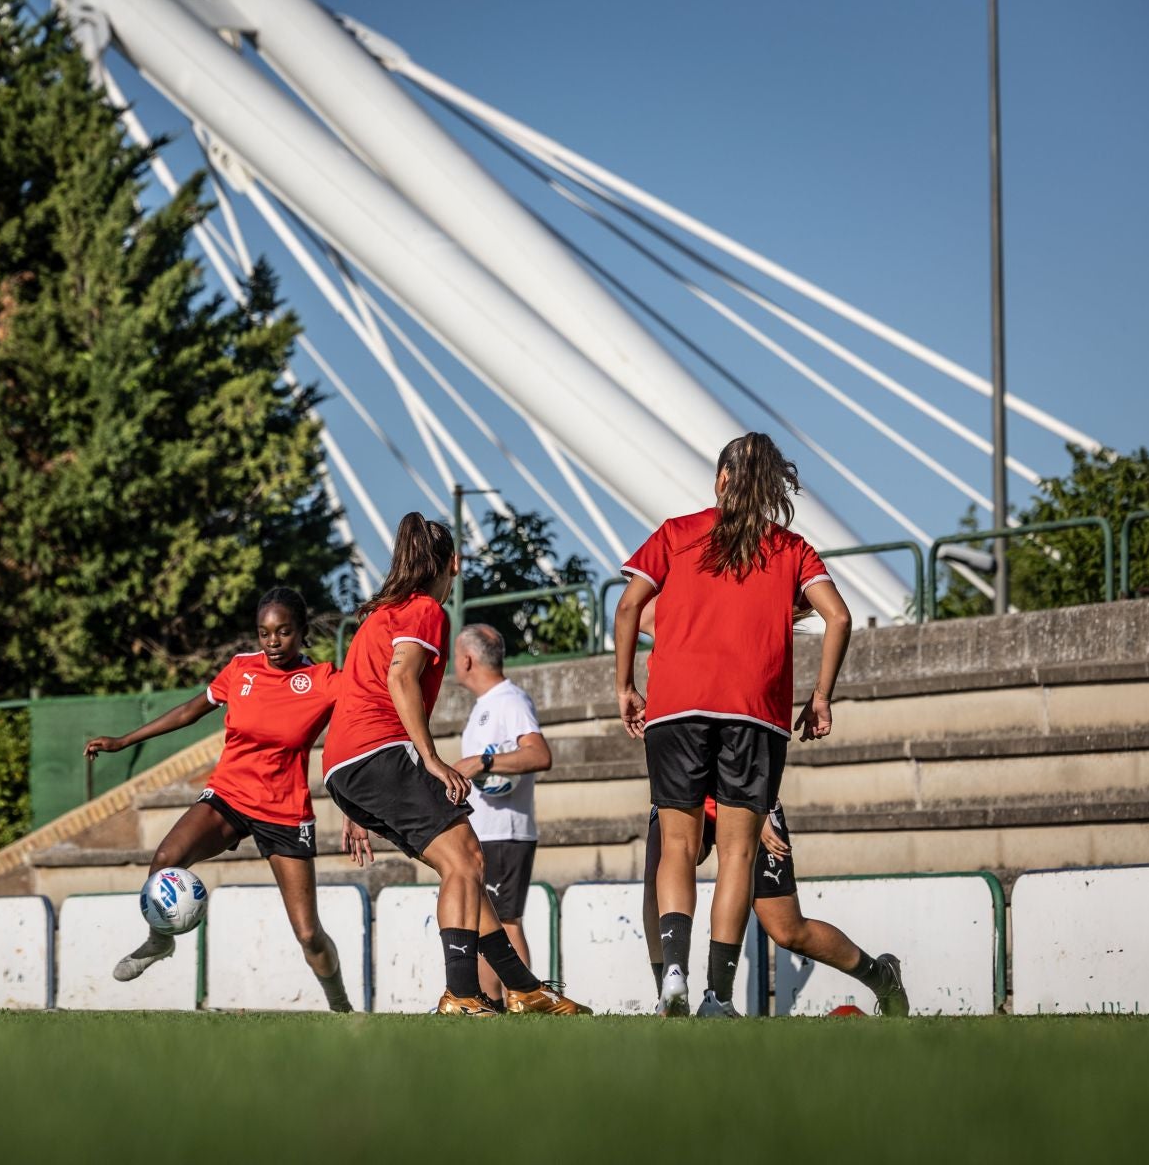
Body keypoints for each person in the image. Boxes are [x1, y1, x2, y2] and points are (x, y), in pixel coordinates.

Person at [614, 432, 852, 1018]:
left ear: (721, 478)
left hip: (676, 706)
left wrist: (624, 686)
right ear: (772, 487)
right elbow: (839, 617)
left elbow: (627, 609)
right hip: (755, 713)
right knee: (738, 856)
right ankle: (717, 997)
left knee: (676, 844)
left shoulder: (675, 532)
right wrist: (821, 696)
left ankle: (673, 972)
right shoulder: (792, 548)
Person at [326, 513, 586, 1016]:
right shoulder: (425, 610)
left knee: (459, 868)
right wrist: (431, 759)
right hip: (380, 751)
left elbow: (354, 700)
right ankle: (463, 994)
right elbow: (401, 677)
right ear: (453, 563)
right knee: (467, 861)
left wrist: (353, 801)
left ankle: (524, 989)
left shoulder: (381, 614)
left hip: (347, 765)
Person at [84, 588, 354, 1011]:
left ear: (302, 632)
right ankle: (159, 942)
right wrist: (124, 741)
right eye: (264, 632)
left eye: (284, 632)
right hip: (229, 796)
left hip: (284, 812)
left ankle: (341, 1006)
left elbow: (355, 733)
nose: (273, 642)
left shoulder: (324, 682)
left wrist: (354, 805)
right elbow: (188, 712)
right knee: (164, 860)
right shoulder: (241, 669)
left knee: (307, 932)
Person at [642, 796, 908, 1016]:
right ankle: (668, 998)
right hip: (688, 783)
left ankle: (881, 976)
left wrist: (762, 804)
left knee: (787, 930)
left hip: (743, 794)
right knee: (657, 872)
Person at [447, 623, 550, 1004]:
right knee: (480, 925)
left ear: (468, 660)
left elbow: (539, 754)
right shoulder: (485, 706)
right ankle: (491, 1005)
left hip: (506, 833)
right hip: (484, 830)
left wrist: (485, 761)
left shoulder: (510, 700)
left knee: (505, 922)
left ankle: (525, 1000)